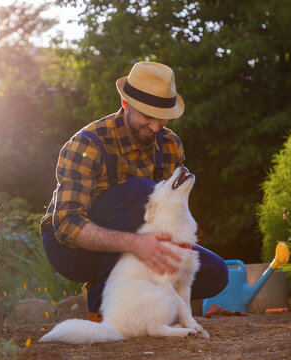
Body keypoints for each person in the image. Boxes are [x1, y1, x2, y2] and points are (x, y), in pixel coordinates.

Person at [40, 61, 228, 321]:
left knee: (214, 272)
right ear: (125, 104)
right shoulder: (87, 144)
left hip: (137, 247)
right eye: (147, 116)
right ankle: (101, 307)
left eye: (161, 118)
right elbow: (66, 225)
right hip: (73, 251)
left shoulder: (171, 144)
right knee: (142, 190)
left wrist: (172, 253)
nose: (154, 127)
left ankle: (140, 310)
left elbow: (173, 212)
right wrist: (135, 244)